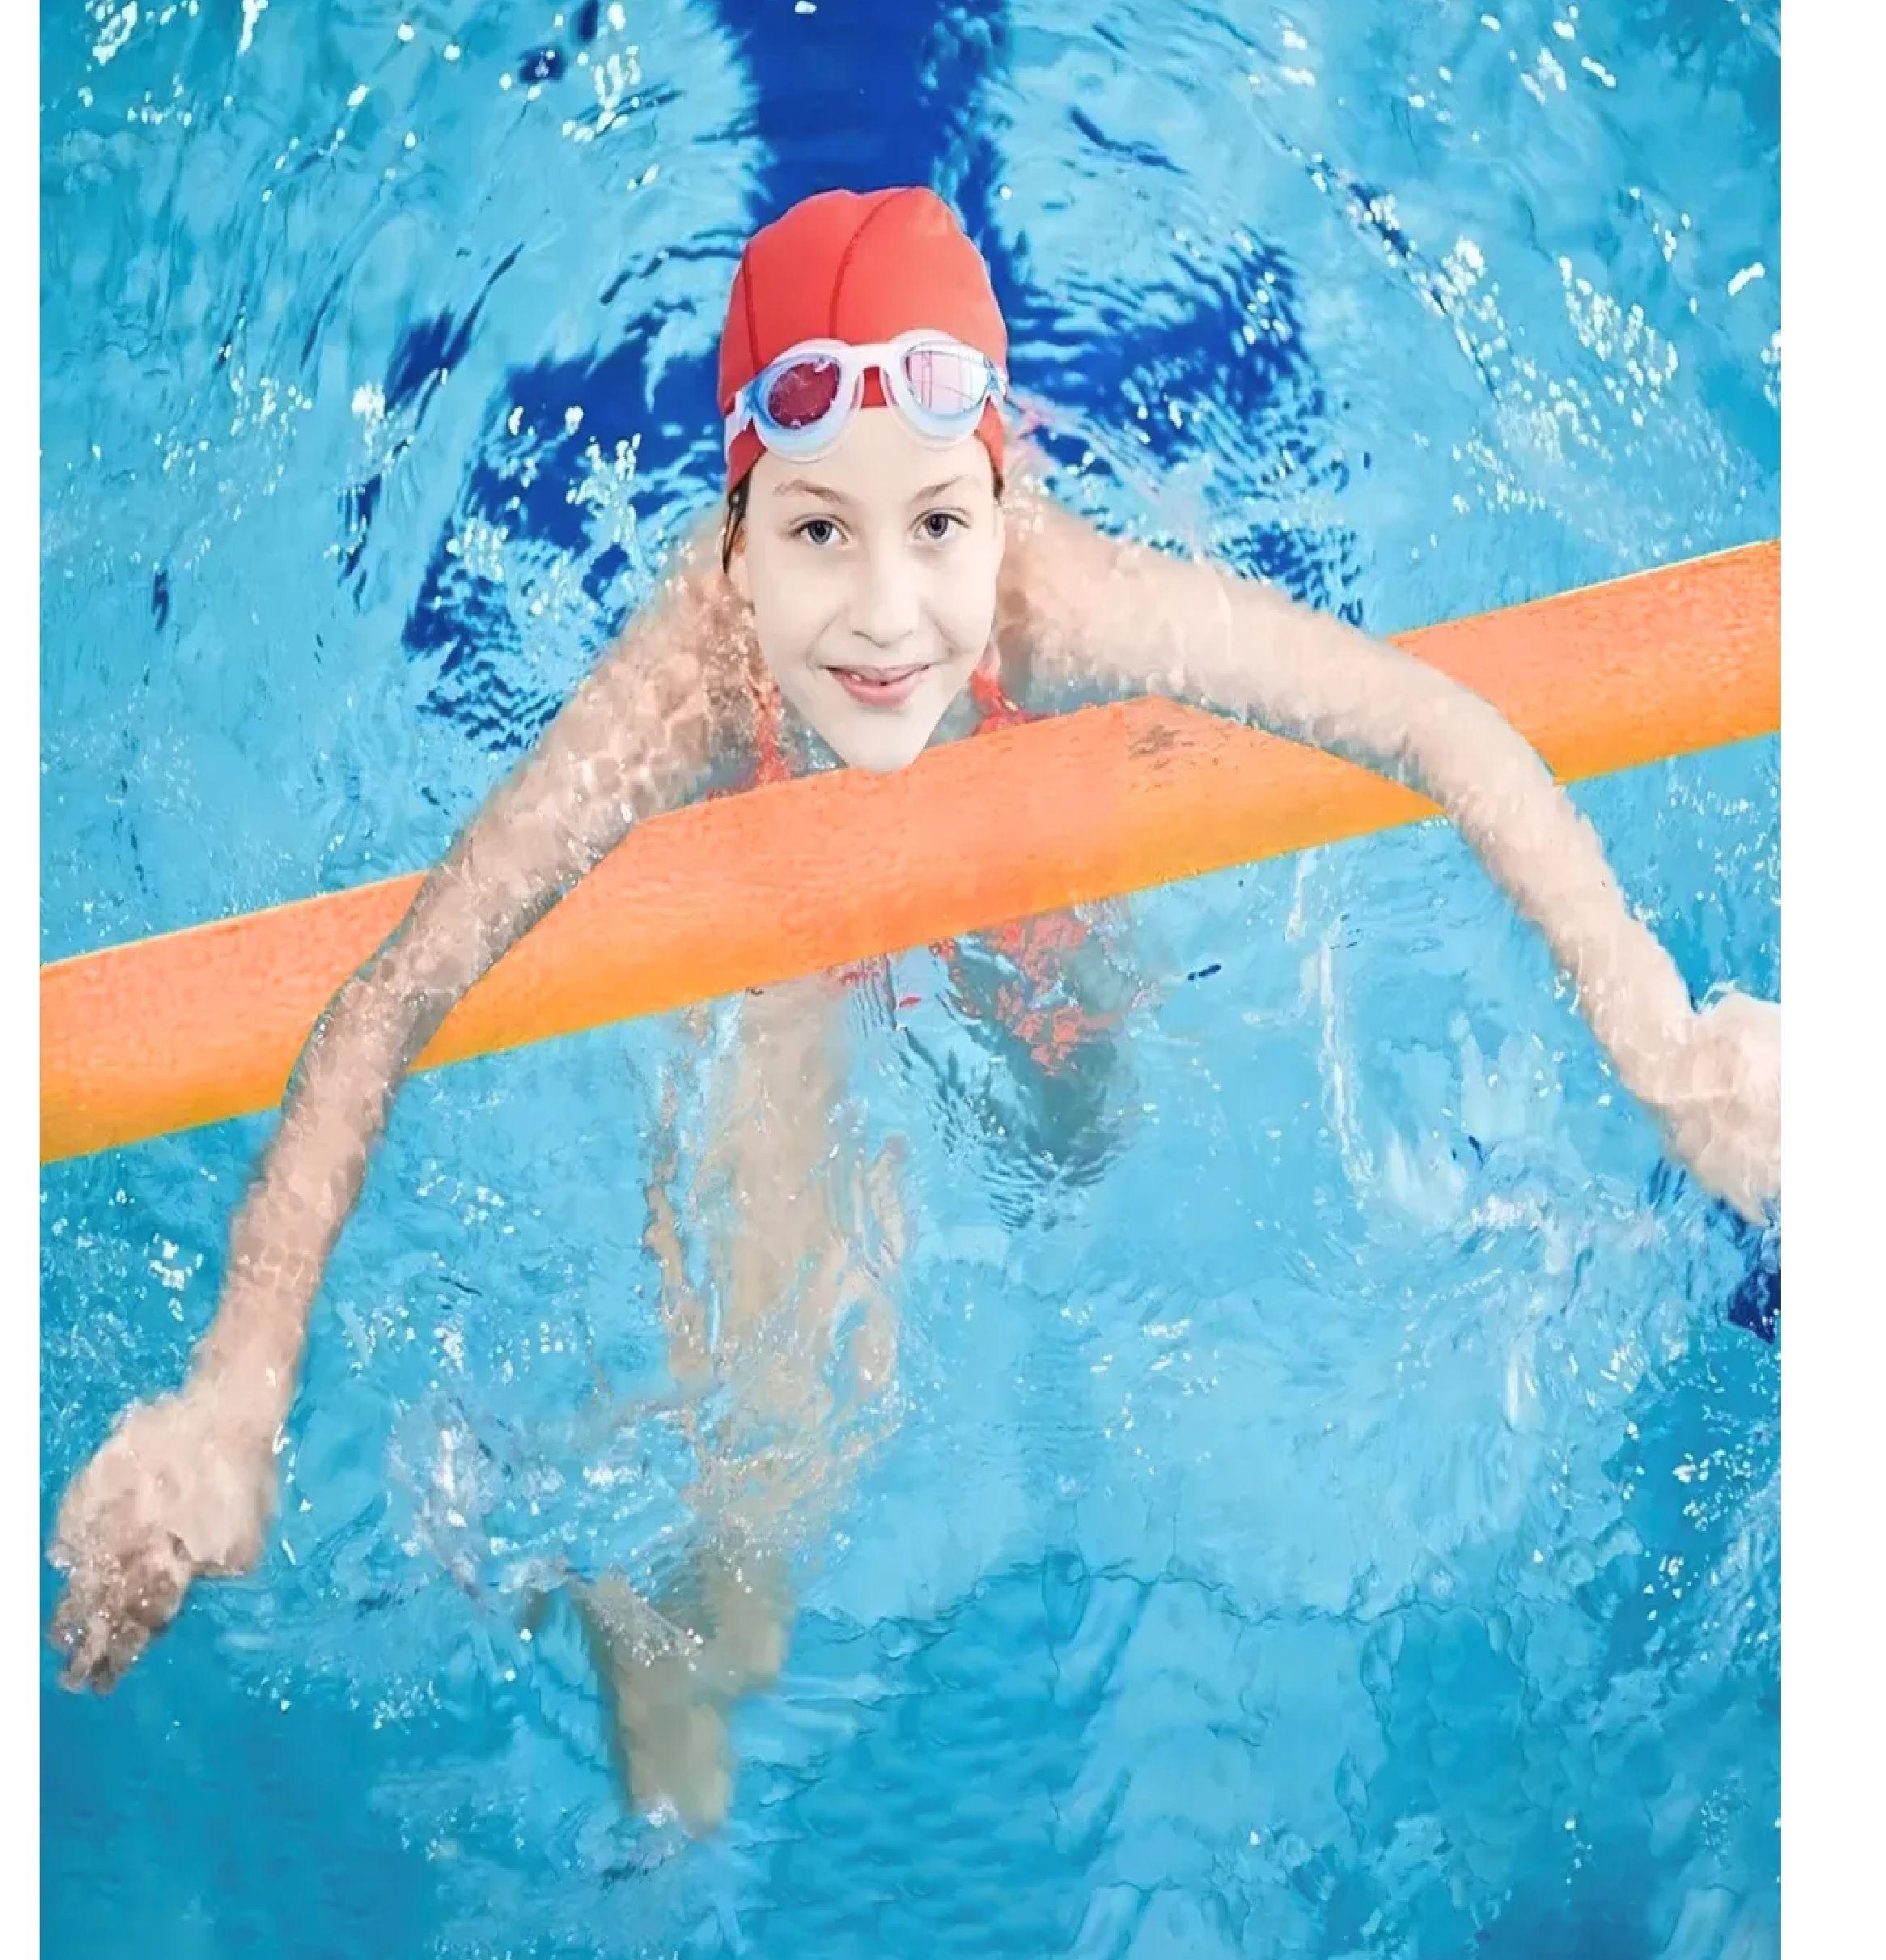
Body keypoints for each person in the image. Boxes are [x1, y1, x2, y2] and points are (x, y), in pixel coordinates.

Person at [47, 186, 1781, 1832]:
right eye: (818, 530)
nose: (886, 615)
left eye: (937, 522)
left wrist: (1664, 1048)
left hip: (1015, 845)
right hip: (778, 913)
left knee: (1082, 1132)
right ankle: (635, 1617)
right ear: (740, 540)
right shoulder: (688, 681)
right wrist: (234, 1395)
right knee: (778, 1482)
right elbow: (393, 998)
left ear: (1001, 501)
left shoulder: (1057, 599)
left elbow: (1435, 723)